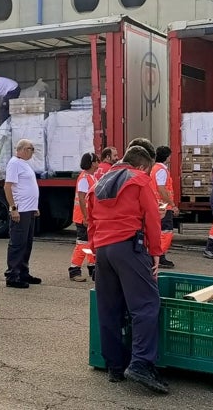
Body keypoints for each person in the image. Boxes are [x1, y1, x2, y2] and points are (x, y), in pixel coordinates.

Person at [87, 145, 168, 394]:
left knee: (109, 308)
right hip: (128, 248)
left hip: (103, 250)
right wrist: (156, 252)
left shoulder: (98, 183)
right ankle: (141, 363)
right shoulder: (140, 181)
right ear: (143, 166)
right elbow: (152, 218)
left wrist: (96, 248)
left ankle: (115, 366)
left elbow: (90, 220)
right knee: (145, 305)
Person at [4, 139, 41, 289]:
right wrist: (13, 208)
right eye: (30, 148)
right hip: (21, 209)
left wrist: (34, 206)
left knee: (27, 243)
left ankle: (23, 271)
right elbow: (8, 187)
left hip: (29, 209)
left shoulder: (24, 164)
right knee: (18, 243)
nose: (32, 151)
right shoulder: (14, 163)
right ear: (22, 149)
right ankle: (12, 275)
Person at [69, 152, 98, 282]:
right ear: (92, 163)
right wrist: (86, 217)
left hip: (88, 217)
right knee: (82, 243)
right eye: (97, 161)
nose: (99, 164)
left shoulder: (91, 177)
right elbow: (81, 198)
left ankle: (92, 267)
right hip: (83, 217)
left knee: (90, 243)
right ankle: (74, 270)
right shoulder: (85, 178)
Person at [149, 146, 177, 269]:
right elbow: (161, 189)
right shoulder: (161, 170)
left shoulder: (154, 168)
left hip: (157, 205)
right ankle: (159, 256)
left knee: (159, 233)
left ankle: (157, 255)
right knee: (166, 232)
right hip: (163, 206)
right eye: (170, 155)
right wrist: (172, 204)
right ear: (167, 156)